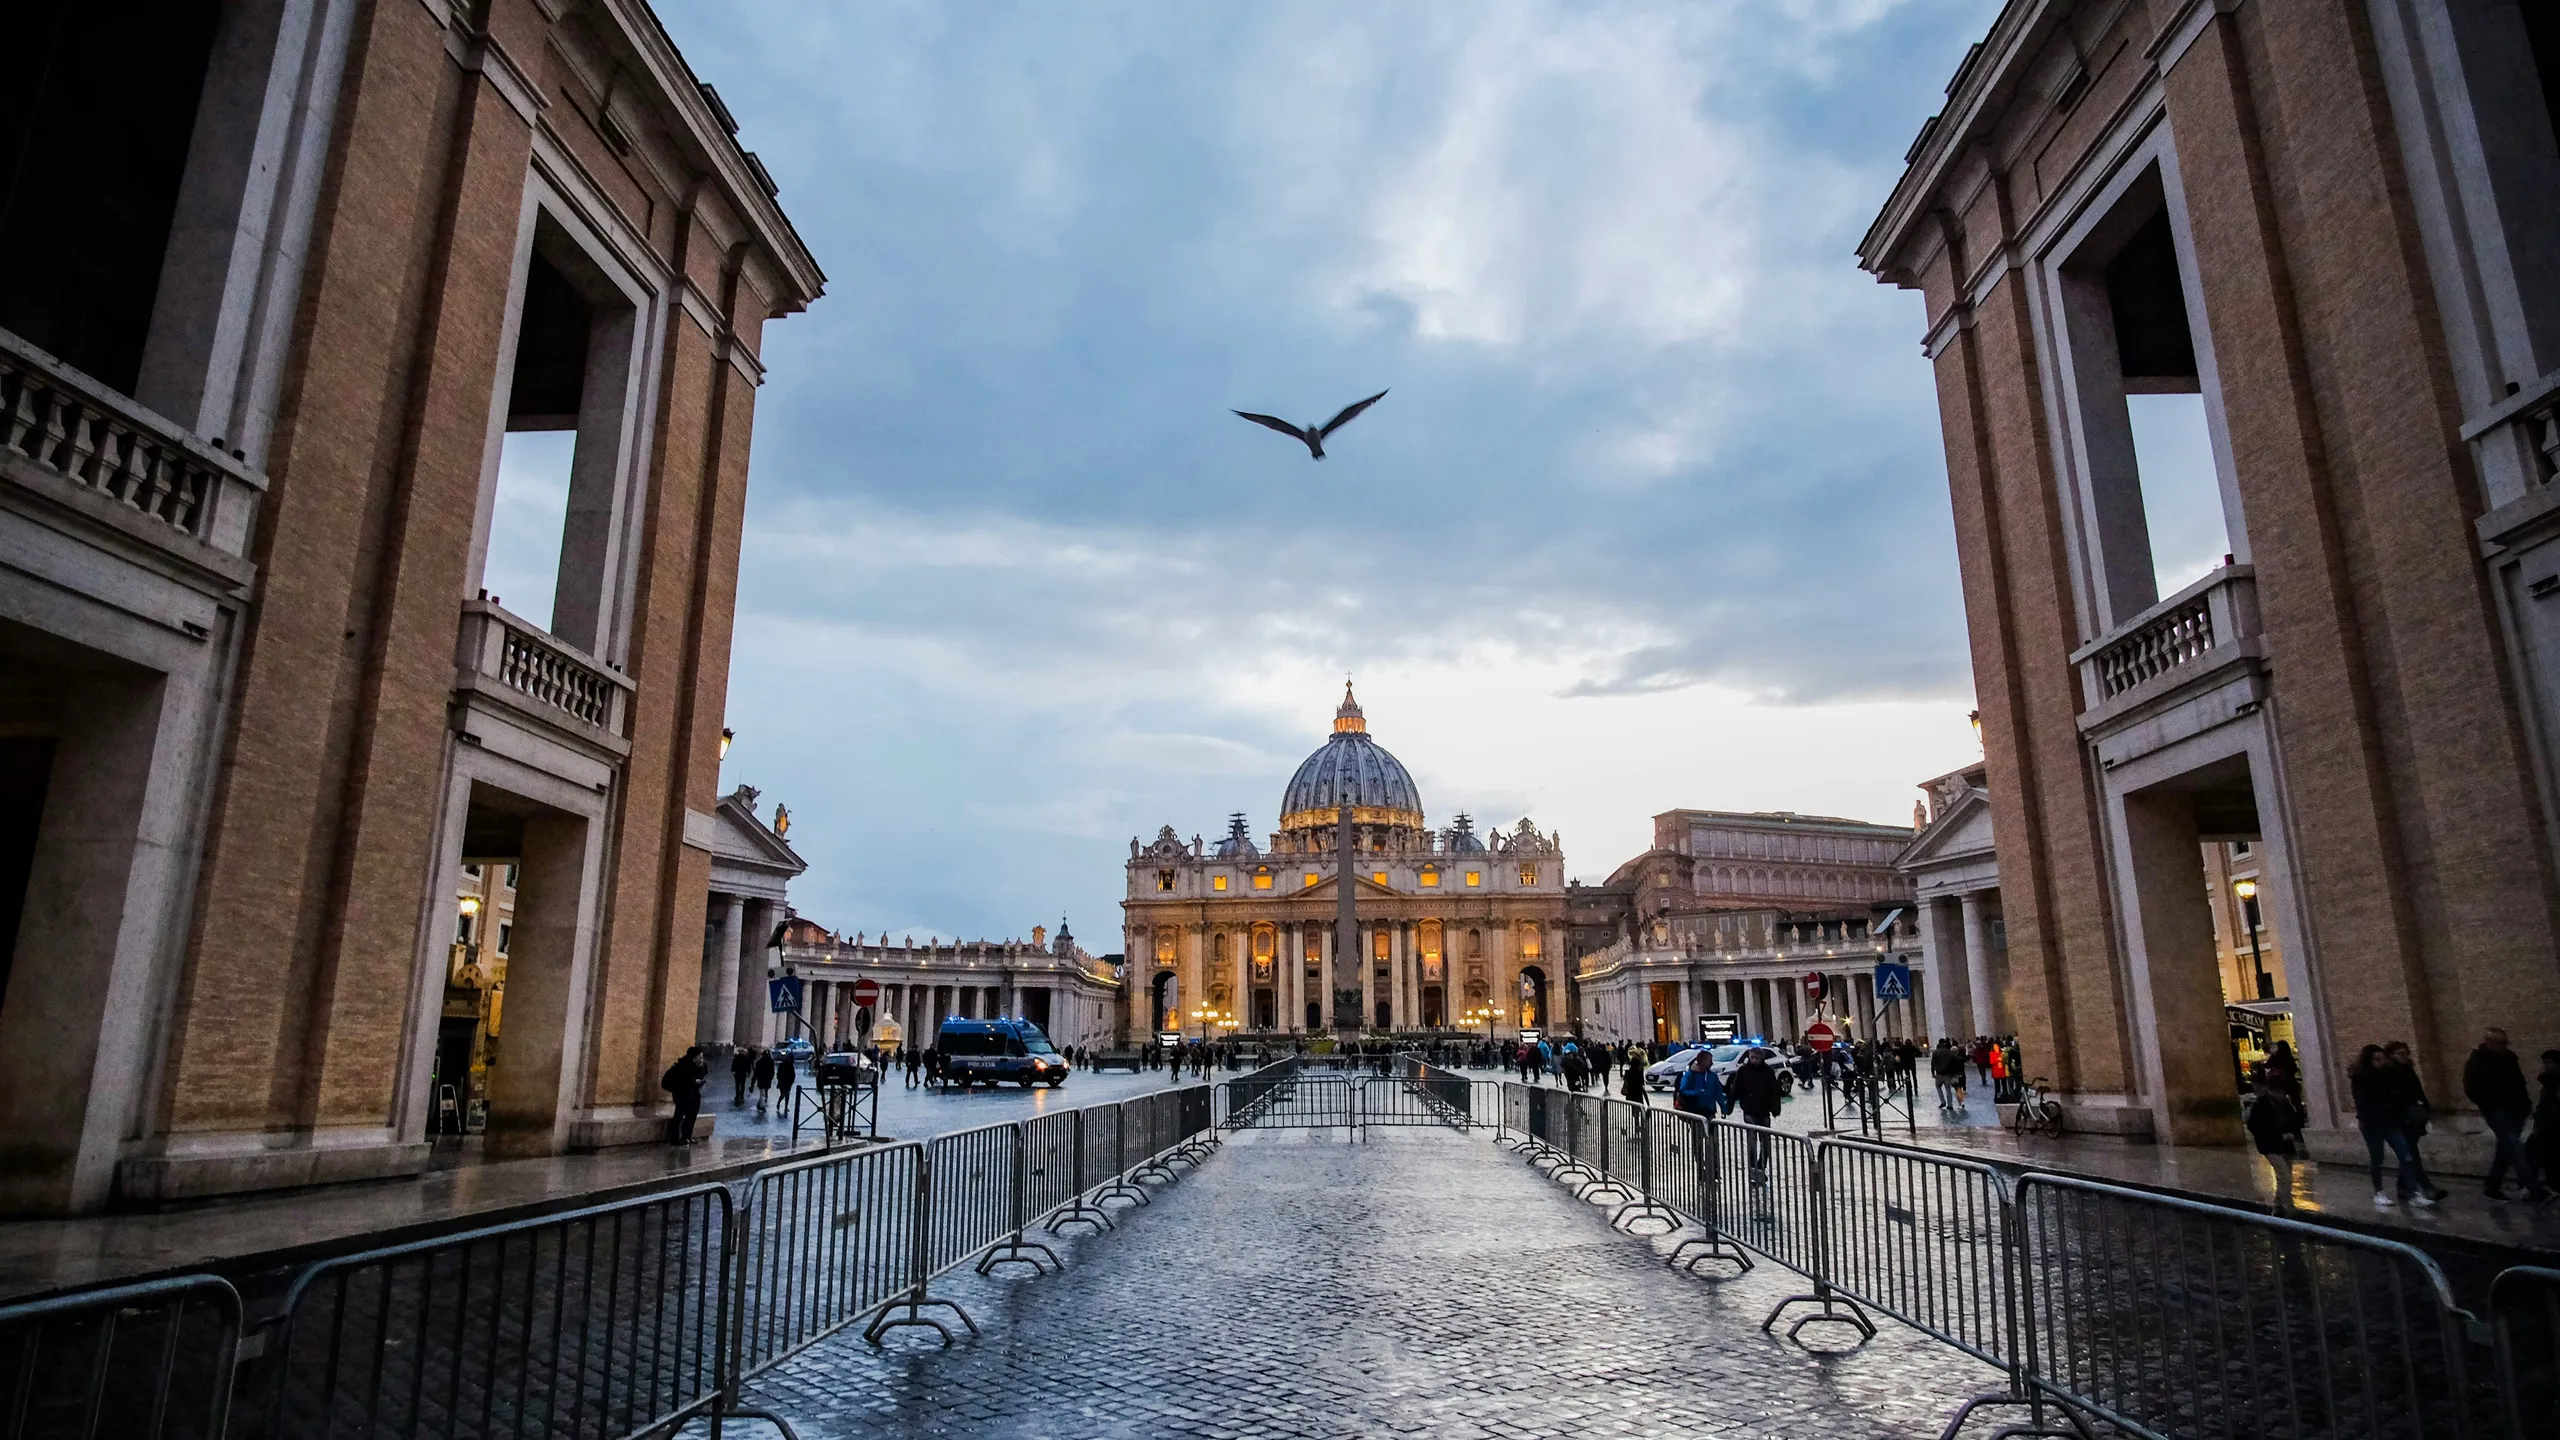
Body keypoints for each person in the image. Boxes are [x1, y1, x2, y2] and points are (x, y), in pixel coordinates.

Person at [2349, 1043, 2443, 1207]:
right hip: (2373, 1124)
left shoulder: (2387, 1075)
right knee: (2377, 1158)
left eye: (2382, 1059)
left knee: (2406, 1156)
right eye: (2376, 1059)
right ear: (2368, 1061)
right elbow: (2363, 1103)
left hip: (2391, 1122)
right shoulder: (2360, 1078)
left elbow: (2398, 1094)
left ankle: (2413, 1193)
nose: (2380, 1062)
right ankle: (2379, 1192)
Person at [2464, 1027, 2549, 1202]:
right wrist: (2489, 1104)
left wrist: (2525, 1104)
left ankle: (2492, 1186)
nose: (2503, 1046)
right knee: (2515, 1148)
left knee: (2506, 1148)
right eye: (2500, 1043)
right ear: (2488, 1042)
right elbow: (2472, 1088)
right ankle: (2535, 1190)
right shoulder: (2477, 1062)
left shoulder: (2510, 1058)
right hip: (2496, 1110)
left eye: (2505, 1043)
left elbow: (2519, 1083)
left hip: (2517, 1110)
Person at [2245, 1071, 2303, 1207]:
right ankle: (2288, 1206)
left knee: (2284, 1175)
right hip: (2270, 1145)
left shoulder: (2285, 1104)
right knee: (2284, 1175)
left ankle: (2279, 1205)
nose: (2279, 1094)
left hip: (2285, 1145)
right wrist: (2275, 1134)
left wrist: (2290, 1133)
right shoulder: (2261, 1105)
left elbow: (2293, 1120)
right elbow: (2254, 1125)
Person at [1728, 1049, 1783, 1181]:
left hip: (1764, 1111)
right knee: (1752, 1142)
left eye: (1756, 1057)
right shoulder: (1743, 1071)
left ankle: (1761, 1166)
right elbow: (1735, 1089)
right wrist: (1728, 1107)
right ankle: (1753, 1168)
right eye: (1752, 1057)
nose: (1754, 1060)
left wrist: (1775, 1109)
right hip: (1749, 1110)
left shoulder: (1768, 1071)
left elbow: (1774, 1092)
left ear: (1761, 1057)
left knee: (1765, 1143)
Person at [2530, 1050, 2560, 1206]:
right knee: (2545, 1157)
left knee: (2552, 1158)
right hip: (2546, 1127)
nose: (2545, 1066)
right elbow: (2543, 1106)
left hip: (2554, 1128)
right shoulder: (2547, 1082)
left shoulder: (2553, 1083)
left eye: (2548, 1062)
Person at [662, 1045, 708, 1144]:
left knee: (692, 1115)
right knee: (679, 1115)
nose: (702, 1059)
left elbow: (702, 1076)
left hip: (694, 1093)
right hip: (682, 1093)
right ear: (694, 1057)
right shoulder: (683, 1066)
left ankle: (687, 1136)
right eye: (700, 1057)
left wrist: (699, 1079)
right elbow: (682, 1081)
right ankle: (675, 1139)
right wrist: (694, 1081)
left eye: (702, 1057)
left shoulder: (702, 1066)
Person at [1673, 1051, 1727, 1120]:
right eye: (1709, 1060)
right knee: (1699, 1126)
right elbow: (1683, 1090)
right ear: (1702, 1061)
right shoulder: (1690, 1074)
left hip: (1710, 1110)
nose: (1712, 1063)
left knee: (1711, 1126)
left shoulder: (1712, 1075)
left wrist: (1723, 1109)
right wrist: (1697, 1093)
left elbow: (1718, 1093)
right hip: (1694, 1110)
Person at [751, 1047, 776, 1114]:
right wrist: (771, 1078)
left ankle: (761, 1105)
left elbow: (756, 1073)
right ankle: (762, 1104)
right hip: (767, 1079)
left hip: (761, 1079)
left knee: (762, 1092)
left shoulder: (759, 1062)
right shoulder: (771, 1062)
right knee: (765, 1092)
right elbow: (772, 1072)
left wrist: (752, 1083)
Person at [775, 1050, 798, 1114]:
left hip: (782, 1082)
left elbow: (778, 1074)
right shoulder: (790, 1066)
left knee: (782, 1094)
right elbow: (793, 1075)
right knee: (787, 1095)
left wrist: (779, 1080)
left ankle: (779, 1103)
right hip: (787, 1083)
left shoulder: (781, 1065)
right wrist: (791, 1081)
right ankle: (785, 1107)